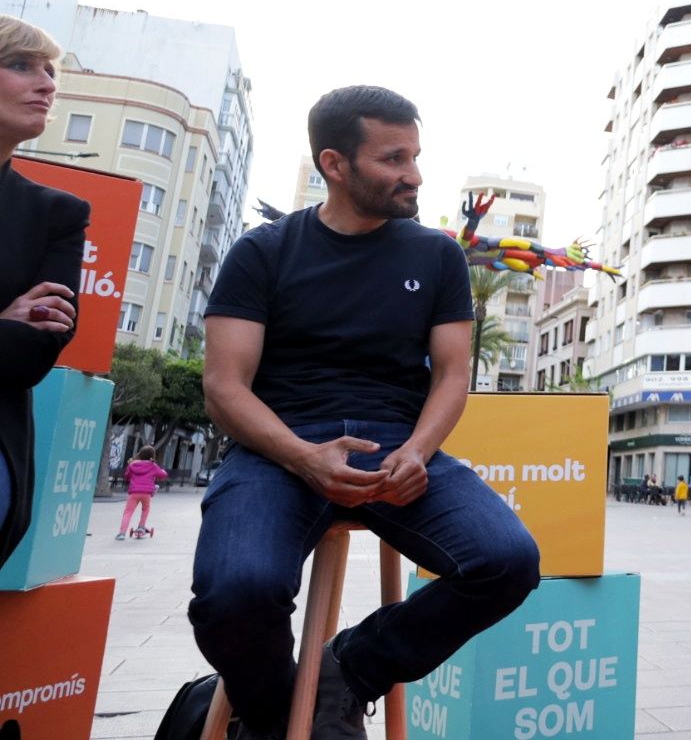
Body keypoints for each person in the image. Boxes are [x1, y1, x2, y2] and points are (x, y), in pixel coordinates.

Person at [188, 86, 539, 740]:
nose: (415, 174)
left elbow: (454, 372)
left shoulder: (435, 256)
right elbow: (224, 388)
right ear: (335, 163)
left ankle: (349, 670)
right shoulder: (262, 252)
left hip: (396, 448)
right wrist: (300, 455)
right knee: (235, 594)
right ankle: (272, 716)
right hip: (277, 448)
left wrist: (420, 448)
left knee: (508, 560)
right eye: (393, 159)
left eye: (415, 156)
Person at [0, 17, 88, 570]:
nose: (48, 83)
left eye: (51, 72)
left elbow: (33, 351)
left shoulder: (57, 213)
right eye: (21, 65)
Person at [117, 444, 168, 539]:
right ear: (152, 455)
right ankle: (141, 526)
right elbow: (162, 475)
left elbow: (127, 476)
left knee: (128, 512)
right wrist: (163, 471)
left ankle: (122, 533)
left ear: (140, 454)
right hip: (146, 493)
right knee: (145, 509)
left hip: (134, 492)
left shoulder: (132, 464)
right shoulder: (153, 465)